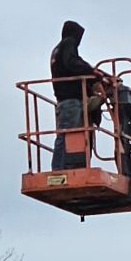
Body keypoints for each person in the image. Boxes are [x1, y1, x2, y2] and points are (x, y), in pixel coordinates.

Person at [48, 20, 105, 169]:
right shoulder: (68, 44)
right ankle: (59, 169)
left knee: (73, 135)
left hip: (69, 100)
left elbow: (74, 63)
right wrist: (93, 72)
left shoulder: (58, 49)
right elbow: (73, 63)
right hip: (70, 100)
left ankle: (71, 166)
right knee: (65, 135)